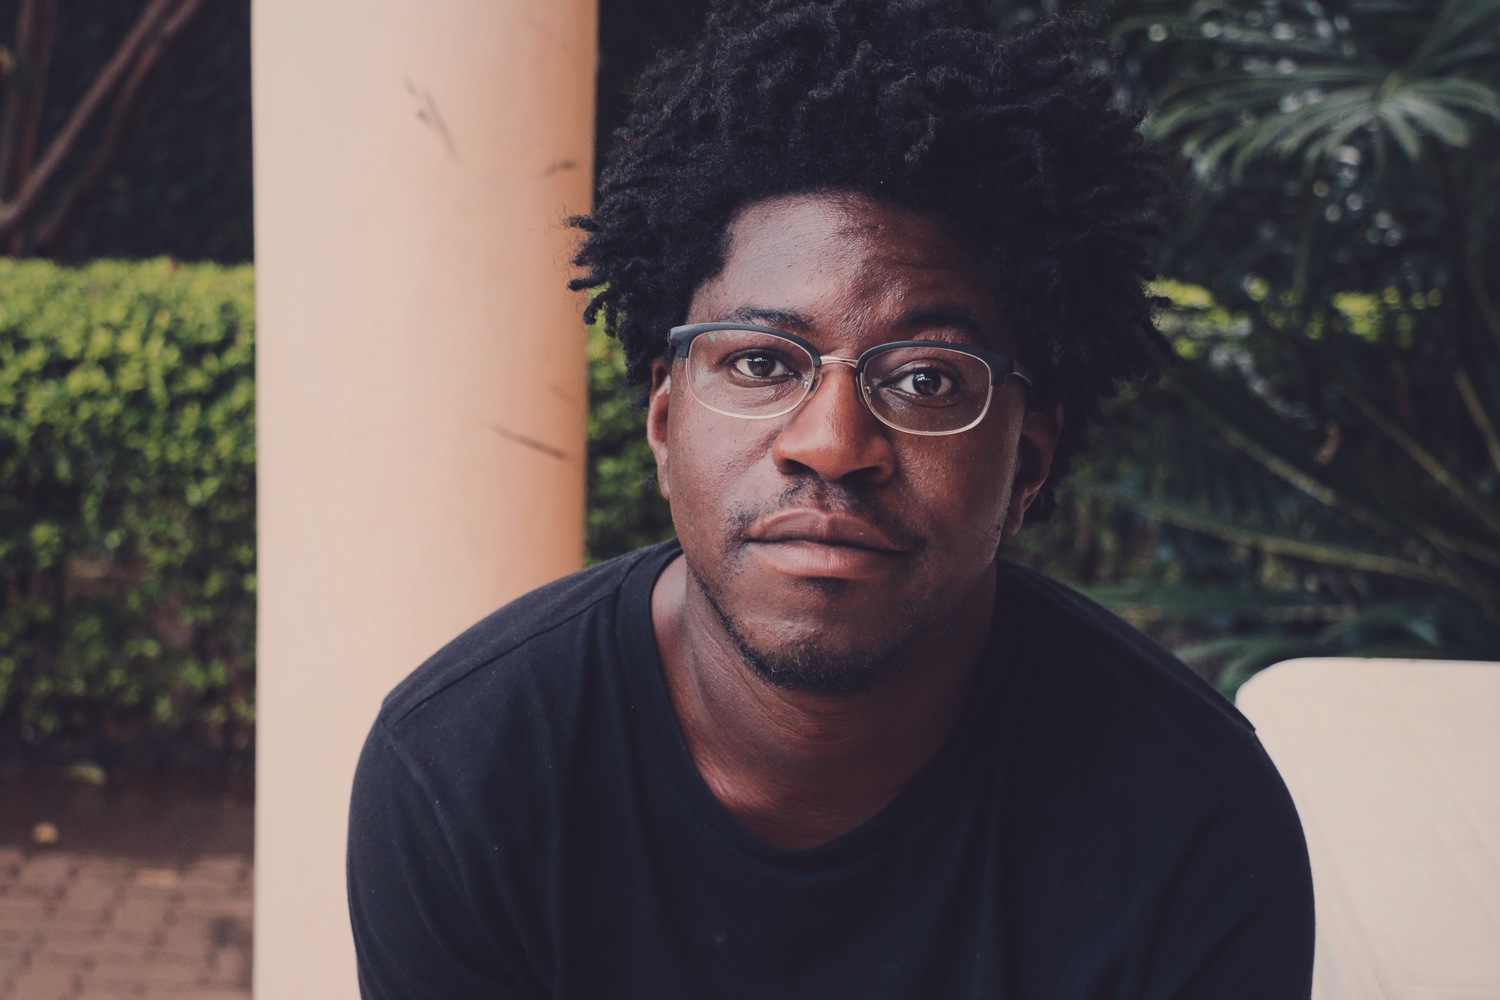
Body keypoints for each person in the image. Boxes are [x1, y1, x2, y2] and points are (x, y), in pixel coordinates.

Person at [347, 1, 1316, 997]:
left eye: (927, 377)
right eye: (764, 361)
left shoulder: (1195, 824)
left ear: (1026, 459)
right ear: (666, 420)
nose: (831, 444)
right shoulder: (466, 771)